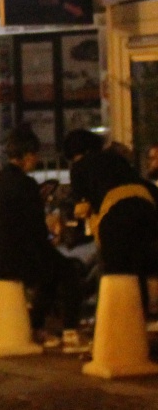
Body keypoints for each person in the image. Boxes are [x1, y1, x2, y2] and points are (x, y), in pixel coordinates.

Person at [0, 125, 87, 351]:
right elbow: (35, 230)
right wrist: (51, 236)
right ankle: (70, 331)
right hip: (14, 258)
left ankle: (37, 326)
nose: (36, 160)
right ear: (27, 156)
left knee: (49, 269)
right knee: (68, 270)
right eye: (35, 155)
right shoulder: (26, 184)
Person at [65, 128, 158, 301]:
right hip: (146, 210)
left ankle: (110, 310)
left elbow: (82, 209)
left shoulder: (79, 167)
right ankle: (143, 310)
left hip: (115, 215)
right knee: (140, 265)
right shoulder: (116, 159)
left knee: (112, 271)